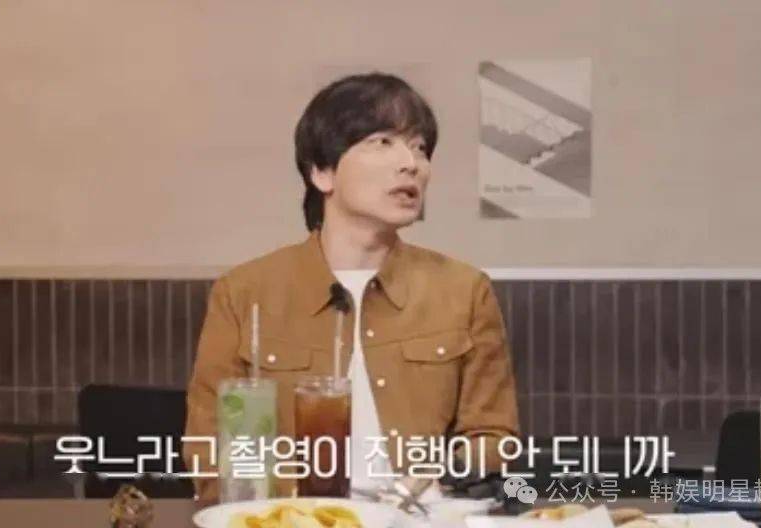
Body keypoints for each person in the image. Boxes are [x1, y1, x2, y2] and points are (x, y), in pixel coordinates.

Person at [183, 72, 519, 502]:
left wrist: (435, 483)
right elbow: (211, 448)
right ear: (322, 172)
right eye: (383, 142)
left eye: (420, 147)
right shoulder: (244, 293)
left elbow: (493, 437)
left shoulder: (464, 290)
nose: (411, 163)